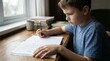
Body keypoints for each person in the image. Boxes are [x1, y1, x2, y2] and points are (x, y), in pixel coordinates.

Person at [33, 0, 110, 61]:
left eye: (69, 14)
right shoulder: (77, 23)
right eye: (65, 14)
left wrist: (59, 48)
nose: (66, 18)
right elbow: (61, 29)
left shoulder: (94, 29)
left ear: (85, 10)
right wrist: (47, 32)